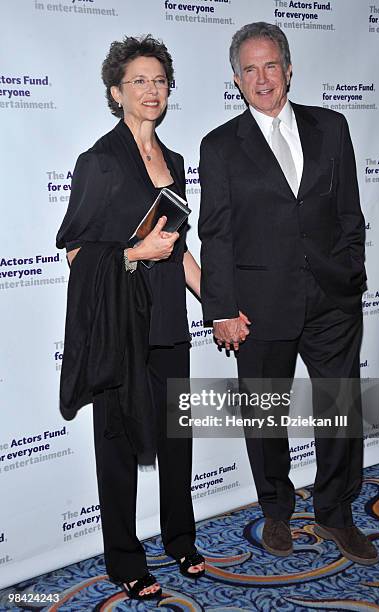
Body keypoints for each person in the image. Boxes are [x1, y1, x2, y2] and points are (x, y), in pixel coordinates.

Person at [198, 22, 379, 566]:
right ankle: (276, 510)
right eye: (249, 69)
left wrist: (351, 273)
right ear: (236, 79)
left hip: (331, 301)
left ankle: (335, 512)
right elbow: (217, 233)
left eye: (270, 65)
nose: (262, 78)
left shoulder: (332, 127)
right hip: (257, 308)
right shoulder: (220, 145)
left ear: (289, 68)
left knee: (338, 410)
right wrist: (223, 309)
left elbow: (350, 211)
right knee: (265, 415)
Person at [56, 35, 204, 601]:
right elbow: (74, 250)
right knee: (117, 443)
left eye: (159, 80)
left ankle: (181, 537)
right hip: (120, 323)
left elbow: (181, 250)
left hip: (168, 318)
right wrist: (130, 254)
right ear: (116, 92)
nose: (151, 90)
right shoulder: (99, 161)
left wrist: (218, 302)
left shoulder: (177, 163)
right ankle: (124, 557)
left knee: (178, 434)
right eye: (139, 81)